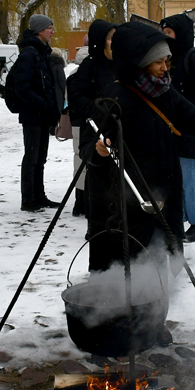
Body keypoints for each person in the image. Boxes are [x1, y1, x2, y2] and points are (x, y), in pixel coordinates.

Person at [80, 21, 195, 344]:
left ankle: (152, 323)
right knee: (124, 263)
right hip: (123, 201)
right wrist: (98, 149)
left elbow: (193, 119)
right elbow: (89, 149)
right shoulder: (114, 98)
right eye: (158, 62)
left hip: (161, 198)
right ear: (138, 63)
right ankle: (117, 327)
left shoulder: (164, 92)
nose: (166, 68)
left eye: (167, 60)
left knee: (156, 261)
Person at [160, 13, 195, 243]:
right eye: (164, 33)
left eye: (169, 33)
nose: (166, 37)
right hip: (172, 128)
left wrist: (184, 112)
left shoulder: (194, 57)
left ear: (180, 34)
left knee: (190, 177)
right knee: (175, 178)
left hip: (189, 128)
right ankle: (178, 220)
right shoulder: (170, 58)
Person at [67, 19, 116, 234]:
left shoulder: (121, 63)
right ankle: (94, 221)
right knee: (94, 172)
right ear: (100, 41)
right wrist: (97, 109)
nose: (115, 42)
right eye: (111, 38)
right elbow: (76, 96)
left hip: (116, 129)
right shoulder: (90, 65)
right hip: (93, 129)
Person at [14, 14, 61, 212]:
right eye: (50, 28)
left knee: (40, 158)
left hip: (42, 115)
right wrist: (41, 104)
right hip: (33, 116)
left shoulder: (42, 52)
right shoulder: (29, 54)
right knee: (32, 158)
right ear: (40, 30)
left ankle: (39, 196)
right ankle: (28, 199)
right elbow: (21, 86)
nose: (52, 32)